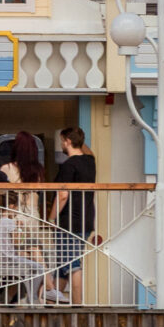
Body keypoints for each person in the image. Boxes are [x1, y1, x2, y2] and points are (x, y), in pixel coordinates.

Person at [52, 125, 97, 304]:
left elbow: (62, 195)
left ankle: (78, 307)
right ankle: (52, 302)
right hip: (86, 220)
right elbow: (88, 151)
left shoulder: (68, 165)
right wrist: (78, 138)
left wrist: (51, 217)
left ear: (68, 141)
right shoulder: (90, 161)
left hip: (69, 220)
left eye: (63, 140)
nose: (61, 144)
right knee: (63, 265)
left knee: (72, 264)